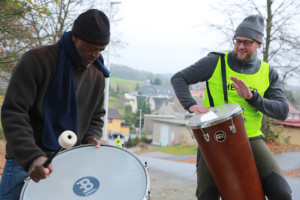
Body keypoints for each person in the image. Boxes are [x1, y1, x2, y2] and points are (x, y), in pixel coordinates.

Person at [171, 15, 292, 200]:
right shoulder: (214, 62)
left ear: (259, 43)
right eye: (237, 41)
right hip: (213, 138)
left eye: (247, 42)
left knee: (282, 193)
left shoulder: (268, 72)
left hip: (251, 138)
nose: (240, 46)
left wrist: (253, 98)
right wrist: (191, 105)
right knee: (207, 196)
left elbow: (282, 111)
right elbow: (179, 78)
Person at [0, 9, 110, 200]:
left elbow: (96, 117)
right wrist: (32, 157)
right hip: (24, 164)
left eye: (101, 49)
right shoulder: (37, 61)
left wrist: (92, 137)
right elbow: (14, 112)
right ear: (75, 37)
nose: (96, 54)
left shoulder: (97, 76)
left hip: (68, 166)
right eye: (92, 47)